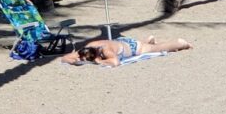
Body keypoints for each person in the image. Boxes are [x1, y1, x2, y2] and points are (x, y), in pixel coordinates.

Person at [59, 35, 192, 66]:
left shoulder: (105, 51)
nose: (83, 59)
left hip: (134, 47)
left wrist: (99, 62)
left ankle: (181, 43)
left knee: (157, 49)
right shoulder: (87, 48)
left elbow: (115, 62)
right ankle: (148, 39)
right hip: (121, 42)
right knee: (149, 45)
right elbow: (64, 58)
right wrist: (75, 59)